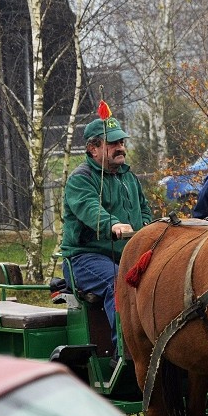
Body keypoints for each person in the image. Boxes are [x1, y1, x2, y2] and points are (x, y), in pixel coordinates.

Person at [61, 117, 152, 346]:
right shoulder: (80, 179)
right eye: (112, 143)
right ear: (93, 148)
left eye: (121, 141)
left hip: (127, 255)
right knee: (117, 282)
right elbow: (90, 208)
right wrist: (112, 224)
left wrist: (152, 230)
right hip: (84, 259)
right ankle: (125, 350)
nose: (120, 147)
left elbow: (144, 211)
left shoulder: (128, 177)